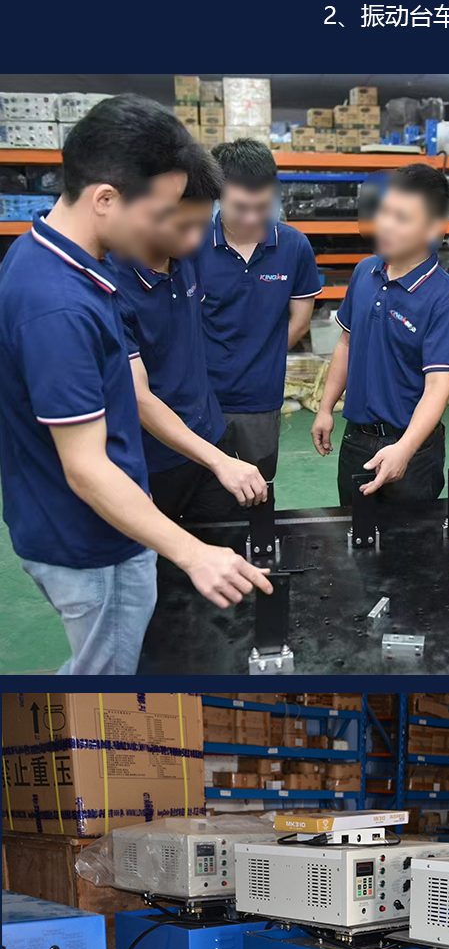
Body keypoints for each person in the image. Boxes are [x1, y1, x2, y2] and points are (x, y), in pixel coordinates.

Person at [0, 95, 271, 676]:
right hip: (90, 540)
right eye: (162, 211)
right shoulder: (57, 304)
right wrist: (191, 551)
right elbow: (85, 468)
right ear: (106, 199)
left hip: (106, 523)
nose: (168, 231)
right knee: (108, 683)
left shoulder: (67, 262)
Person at [109, 146, 266, 521]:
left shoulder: (186, 253)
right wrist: (219, 461)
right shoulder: (110, 284)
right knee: (162, 556)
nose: (196, 240)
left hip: (208, 435)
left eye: (203, 224)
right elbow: (138, 397)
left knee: (229, 546)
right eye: (183, 226)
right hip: (148, 459)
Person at [311, 164, 449, 502]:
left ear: (433, 228)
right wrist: (325, 408)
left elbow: (438, 387)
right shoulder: (364, 272)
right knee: (353, 529)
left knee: (410, 535)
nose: (385, 224)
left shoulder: (444, 300)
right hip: (356, 440)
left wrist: (405, 449)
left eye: (402, 217)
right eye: (384, 212)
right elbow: (346, 343)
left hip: (411, 448)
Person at [198, 138, 322, 481]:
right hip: (202, 399)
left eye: (262, 206)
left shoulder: (294, 246)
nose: (253, 217)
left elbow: (300, 320)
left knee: (258, 491)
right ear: (217, 196)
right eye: (240, 207)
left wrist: (259, 360)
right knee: (204, 492)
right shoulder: (192, 243)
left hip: (260, 401)